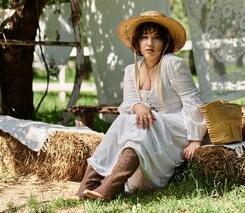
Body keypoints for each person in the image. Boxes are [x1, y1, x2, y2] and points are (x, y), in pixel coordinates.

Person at [72, 11, 207, 201]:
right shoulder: (131, 70)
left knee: (144, 124)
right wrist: (138, 106)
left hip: (176, 125)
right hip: (149, 124)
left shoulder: (172, 64)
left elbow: (192, 100)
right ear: (137, 42)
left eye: (156, 38)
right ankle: (89, 184)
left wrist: (195, 140)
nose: (149, 44)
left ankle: (110, 187)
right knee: (125, 119)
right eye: (144, 37)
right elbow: (128, 101)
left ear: (165, 42)